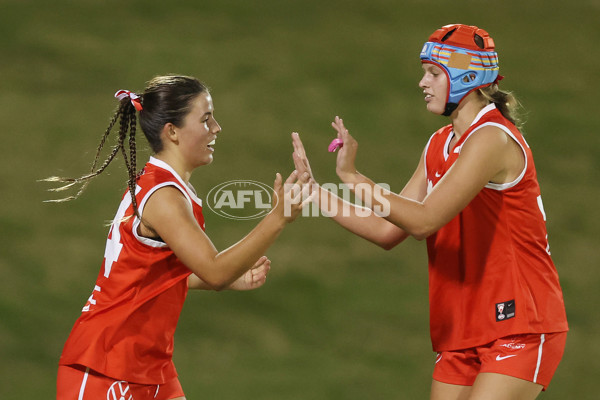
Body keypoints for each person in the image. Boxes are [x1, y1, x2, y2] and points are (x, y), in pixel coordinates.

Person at [291, 24, 568, 400]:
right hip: (462, 329)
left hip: (519, 323)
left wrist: (352, 175)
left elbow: (424, 220)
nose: (423, 82)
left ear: (469, 76)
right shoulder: (439, 143)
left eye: (434, 73)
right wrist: (316, 193)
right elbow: (386, 231)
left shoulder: (491, 138)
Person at [46, 75, 311, 400]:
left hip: (149, 365)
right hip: (105, 365)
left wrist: (230, 278)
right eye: (205, 119)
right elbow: (214, 271)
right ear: (172, 132)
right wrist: (277, 219)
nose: (217, 128)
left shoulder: (160, 185)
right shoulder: (164, 198)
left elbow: (148, 276)